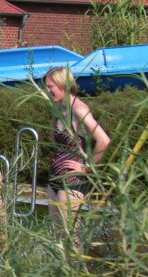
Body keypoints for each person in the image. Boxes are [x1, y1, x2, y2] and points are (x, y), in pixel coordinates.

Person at [44, 66, 110, 225]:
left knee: (70, 237)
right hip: (55, 177)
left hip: (72, 181)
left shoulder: (79, 110)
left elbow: (104, 140)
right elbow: (55, 139)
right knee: (56, 234)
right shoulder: (58, 107)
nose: (47, 91)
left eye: (50, 86)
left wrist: (87, 167)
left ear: (63, 84)